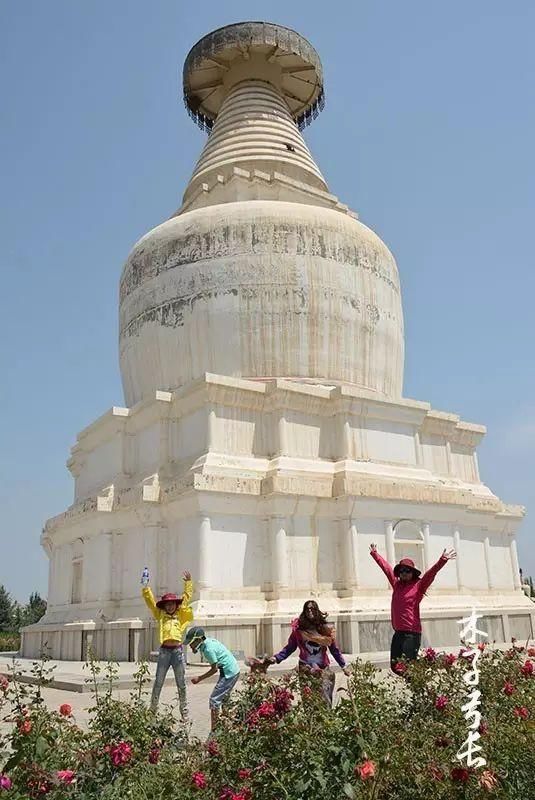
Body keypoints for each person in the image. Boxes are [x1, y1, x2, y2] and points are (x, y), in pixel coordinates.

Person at [369, 543, 456, 672]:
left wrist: (442, 560)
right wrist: (375, 554)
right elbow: (386, 569)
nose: (404, 573)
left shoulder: (419, 586)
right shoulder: (397, 584)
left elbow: (430, 574)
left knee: (408, 667)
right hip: (398, 632)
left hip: (411, 633)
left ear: (413, 573)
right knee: (395, 667)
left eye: (407, 571)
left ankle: (434, 667)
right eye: (401, 571)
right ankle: (425, 672)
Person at [267, 600, 349, 705]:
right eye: (307, 609)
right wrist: (277, 658)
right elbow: (290, 647)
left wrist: (343, 666)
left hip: (322, 668)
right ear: (304, 612)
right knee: (308, 699)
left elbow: (334, 649)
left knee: (325, 700)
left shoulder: (325, 630)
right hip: (305, 668)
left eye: (313, 609)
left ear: (317, 611)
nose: (310, 611)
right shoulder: (299, 631)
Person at [141, 567, 193, 719]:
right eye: (167, 604)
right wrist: (146, 588)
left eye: (172, 604)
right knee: (158, 682)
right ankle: (152, 710)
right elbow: (151, 602)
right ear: (164, 606)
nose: (170, 606)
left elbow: (186, 597)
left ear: (176, 605)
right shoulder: (161, 615)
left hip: (177, 652)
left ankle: (184, 711)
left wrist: (188, 583)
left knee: (181, 683)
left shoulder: (180, 615)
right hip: (164, 652)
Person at [185, 626, 241, 732]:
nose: (190, 647)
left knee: (214, 700)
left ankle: (214, 731)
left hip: (229, 673)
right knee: (224, 698)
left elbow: (214, 669)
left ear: (198, 640)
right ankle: (228, 726)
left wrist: (199, 678)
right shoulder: (209, 641)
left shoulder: (208, 650)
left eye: (191, 644)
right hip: (232, 670)